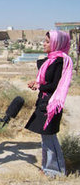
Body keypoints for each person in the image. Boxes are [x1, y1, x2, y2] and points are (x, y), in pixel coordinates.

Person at [25, 30, 73, 177]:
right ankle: (47, 168)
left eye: (47, 41)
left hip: (51, 104)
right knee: (45, 137)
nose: (44, 44)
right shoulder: (50, 60)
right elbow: (45, 82)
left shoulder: (59, 61)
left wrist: (39, 86)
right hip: (44, 102)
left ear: (56, 43)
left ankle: (55, 171)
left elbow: (54, 85)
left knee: (49, 137)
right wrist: (37, 83)